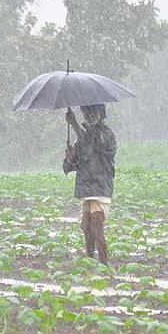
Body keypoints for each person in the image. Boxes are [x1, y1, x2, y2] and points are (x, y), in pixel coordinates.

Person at [63, 104, 117, 265]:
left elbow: (96, 145)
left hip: (101, 186)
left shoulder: (107, 134)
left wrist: (74, 125)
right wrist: (70, 158)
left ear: (101, 113)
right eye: (86, 112)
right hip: (85, 187)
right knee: (86, 227)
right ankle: (90, 260)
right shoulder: (81, 138)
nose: (90, 115)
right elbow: (70, 167)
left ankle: (104, 264)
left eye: (93, 112)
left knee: (96, 226)